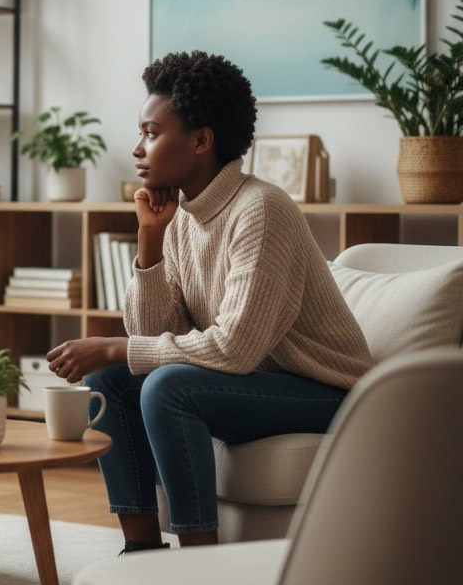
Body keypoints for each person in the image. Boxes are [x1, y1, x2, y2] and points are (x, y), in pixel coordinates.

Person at [47, 50, 371, 554]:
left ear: (201, 140)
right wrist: (150, 240)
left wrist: (113, 347)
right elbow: (150, 335)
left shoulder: (261, 210)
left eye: (152, 133)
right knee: (108, 380)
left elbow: (234, 351)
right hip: (252, 385)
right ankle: (142, 553)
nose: (138, 148)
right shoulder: (179, 216)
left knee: (167, 387)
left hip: (328, 394)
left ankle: (200, 564)